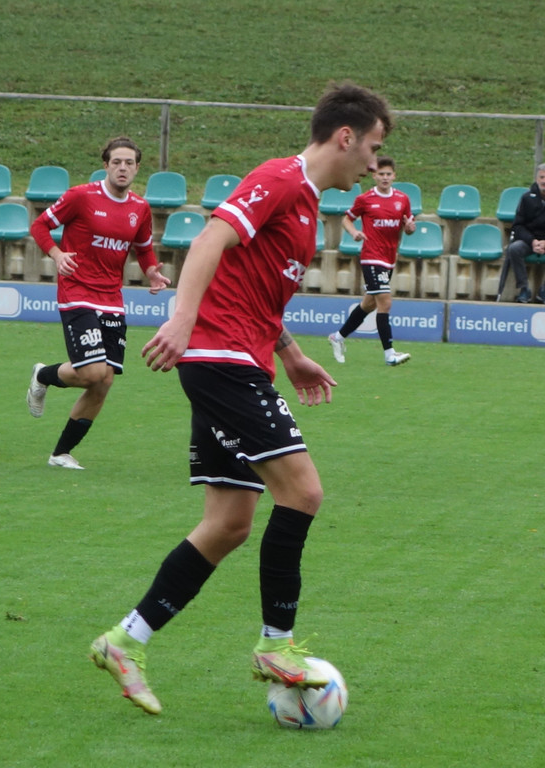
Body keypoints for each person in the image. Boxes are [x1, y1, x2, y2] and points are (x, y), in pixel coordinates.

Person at [89, 81, 393, 715]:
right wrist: (181, 319)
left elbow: (253, 291)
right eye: (372, 146)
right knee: (303, 493)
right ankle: (275, 645)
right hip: (221, 361)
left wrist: (292, 353)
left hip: (240, 357)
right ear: (346, 137)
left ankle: (126, 640)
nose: (373, 162)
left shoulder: (308, 204)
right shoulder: (280, 179)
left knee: (228, 523)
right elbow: (210, 240)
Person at [27, 136, 170, 469]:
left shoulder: (140, 207)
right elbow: (40, 225)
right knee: (92, 372)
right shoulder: (81, 196)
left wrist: (151, 272)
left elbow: (144, 248)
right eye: (116, 162)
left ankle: (60, 454)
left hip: (112, 299)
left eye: (129, 163)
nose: (123, 168)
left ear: (137, 168)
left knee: (104, 381)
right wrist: (57, 254)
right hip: (77, 292)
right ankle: (43, 375)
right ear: (105, 165)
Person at [327, 156, 416, 366]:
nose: (385, 178)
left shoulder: (402, 199)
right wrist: (354, 232)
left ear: (394, 176)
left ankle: (337, 337)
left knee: (369, 304)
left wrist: (410, 229)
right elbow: (347, 219)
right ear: (374, 176)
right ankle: (389, 354)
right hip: (371, 257)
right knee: (385, 302)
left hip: (389, 258)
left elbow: (409, 227)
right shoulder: (365, 199)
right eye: (381, 174)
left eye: (388, 174)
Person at [505, 163, 545, 303]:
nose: (544, 181)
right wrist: (532, 241)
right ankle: (523, 289)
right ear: (536, 179)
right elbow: (518, 226)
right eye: (541, 177)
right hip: (529, 241)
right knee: (514, 249)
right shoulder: (526, 198)